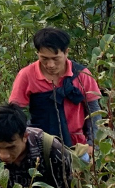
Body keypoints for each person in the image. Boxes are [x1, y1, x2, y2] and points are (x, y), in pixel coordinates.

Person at [10, 27, 102, 160]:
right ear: (38, 54)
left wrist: (93, 145)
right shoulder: (26, 75)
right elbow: (16, 112)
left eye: (55, 58)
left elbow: (94, 111)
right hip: (40, 144)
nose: (50, 64)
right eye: (44, 58)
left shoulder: (82, 75)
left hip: (77, 145)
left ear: (66, 52)